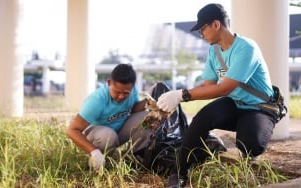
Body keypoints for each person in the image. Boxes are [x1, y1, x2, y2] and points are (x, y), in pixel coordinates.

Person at [156, 3, 277, 187]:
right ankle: (179, 172)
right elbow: (209, 87)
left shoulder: (246, 48)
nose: (201, 34)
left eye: (202, 28)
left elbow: (224, 88)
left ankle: (249, 135)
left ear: (216, 24)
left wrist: (182, 95)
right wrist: (178, 96)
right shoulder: (214, 51)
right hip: (235, 103)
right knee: (202, 118)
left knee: (250, 144)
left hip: (259, 107)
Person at [66, 63, 150, 171]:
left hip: (117, 132)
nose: (121, 96)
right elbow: (72, 130)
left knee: (146, 117)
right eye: (117, 92)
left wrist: (148, 103)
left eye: (125, 93)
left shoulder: (133, 91)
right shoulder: (96, 100)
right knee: (108, 135)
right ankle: (97, 161)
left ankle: (134, 159)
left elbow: (133, 109)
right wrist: (94, 151)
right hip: (98, 136)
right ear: (109, 82)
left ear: (132, 87)